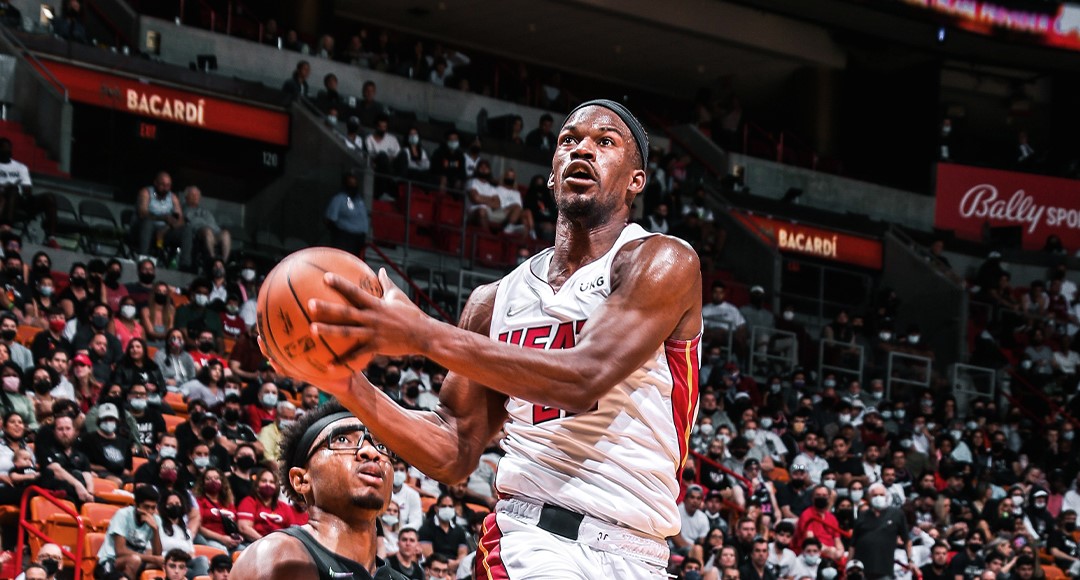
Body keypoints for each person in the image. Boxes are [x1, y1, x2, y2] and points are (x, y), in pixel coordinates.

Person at [309, 99, 700, 579]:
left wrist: (424, 334)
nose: (582, 150)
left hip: (640, 553)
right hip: (529, 542)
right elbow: (454, 448)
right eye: (569, 140)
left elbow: (583, 378)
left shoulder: (663, 261)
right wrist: (348, 384)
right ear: (553, 175)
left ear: (635, 182)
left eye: (604, 142)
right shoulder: (493, 301)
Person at [231, 402, 409, 580]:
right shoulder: (279, 555)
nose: (371, 451)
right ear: (301, 480)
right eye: (342, 440)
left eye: (382, 447)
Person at [95, 484, 164, 579]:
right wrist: (153, 559)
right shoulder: (123, 515)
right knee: (135, 560)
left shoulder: (156, 520)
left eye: (153, 508)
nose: (150, 511)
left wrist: (155, 530)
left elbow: (157, 554)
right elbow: (120, 551)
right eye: (146, 507)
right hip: (111, 562)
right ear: (136, 505)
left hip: (136, 561)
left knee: (164, 564)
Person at [132, 172, 193, 271]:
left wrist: (166, 228)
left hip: (164, 231)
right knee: (147, 223)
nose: (165, 188)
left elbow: (180, 219)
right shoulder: (146, 192)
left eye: (168, 185)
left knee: (187, 229)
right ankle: (144, 260)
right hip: (143, 229)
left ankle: (185, 265)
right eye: (162, 185)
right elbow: (142, 213)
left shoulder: (172, 197)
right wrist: (162, 218)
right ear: (155, 183)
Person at [851, 483, 912, 580]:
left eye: (881, 495)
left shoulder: (897, 514)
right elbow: (853, 544)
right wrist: (848, 565)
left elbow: (907, 540)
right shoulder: (862, 515)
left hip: (884, 568)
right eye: (875, 495)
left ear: (887, 497)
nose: (878, 497)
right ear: (869, 497)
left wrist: (910, 560)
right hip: (862, 569)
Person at [184, 186, 231, 266]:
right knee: (207, 231)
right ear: (187, 196)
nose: (196, 197)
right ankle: (213, 261)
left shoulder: (206, 211)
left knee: (225, 234)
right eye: (193, 194)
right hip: (198, 234)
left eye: (198, 195)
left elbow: (214, 225)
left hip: (214, 233)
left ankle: (223, 263)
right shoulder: (184, 209)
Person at [324, 172, 369, 256]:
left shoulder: (359, 201)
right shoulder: (339, 199)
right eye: (351, 184)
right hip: (345, 239)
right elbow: (330, 219)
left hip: (359, 240)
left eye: (355, 184)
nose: (353, 187)